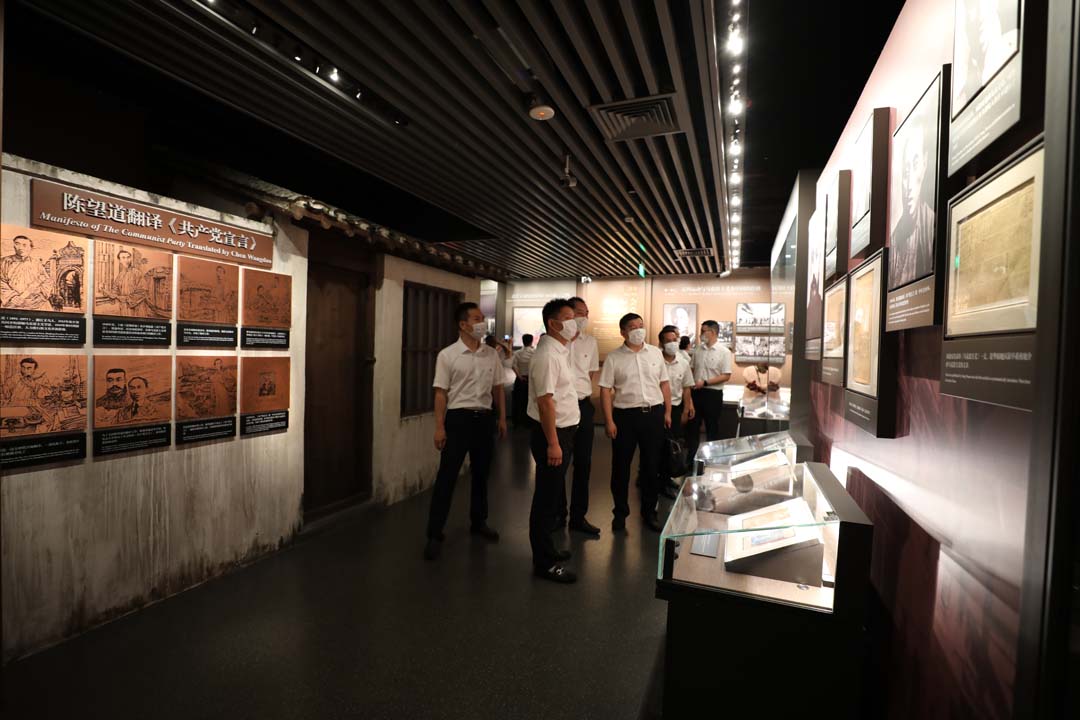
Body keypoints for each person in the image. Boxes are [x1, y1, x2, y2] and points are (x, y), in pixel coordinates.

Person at [424, 302, 507, 560]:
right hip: (458, 419)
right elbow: (441, 393)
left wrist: (502, 418)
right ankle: (434, 534)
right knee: (447, 476)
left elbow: (498, 388)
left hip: (484, 418)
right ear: (463, 325)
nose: (482, 322)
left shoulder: (491, 354)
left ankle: (479, 522)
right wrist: (439, 427)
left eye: (482, 318)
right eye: (476, 318)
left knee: (482, 474)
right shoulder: (448, 355)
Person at [600, 313, 672, 532]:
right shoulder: (614, 357)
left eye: (641, 325)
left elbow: (664, 383)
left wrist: (668, 412)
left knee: (651, 466)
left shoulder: (655, 353)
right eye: (632, 327)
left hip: (653, 414)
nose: (638, 330)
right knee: (620, 468)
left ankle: (649, 512)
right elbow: (605, 390)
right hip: (625, 417)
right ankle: (620, 513)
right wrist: (609, 420)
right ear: (623, 332)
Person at [527, 298, 581, 583]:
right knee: (545, 500)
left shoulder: (559, 350)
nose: (576, 323)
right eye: (569, 318)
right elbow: (545, 402)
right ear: (553, 323)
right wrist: (553, 443)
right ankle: (544, 563)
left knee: (551, 495)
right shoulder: (547, 355)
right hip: (553, 434)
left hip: (563, 432)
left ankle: (548, 550)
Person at [556, 296, 601, 535]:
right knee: (559, 464)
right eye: (580, 313)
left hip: (583, 406)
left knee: (583, 463)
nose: (584, 317)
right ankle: (558, 513)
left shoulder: (590, 342)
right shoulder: (554, 342)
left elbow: (590, 374)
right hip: (560, 408)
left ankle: (578, 516)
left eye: (586, 313)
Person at [687, 320, 733, 459]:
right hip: (696, 393)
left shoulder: (724, 352)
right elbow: (692, 369)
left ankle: (711, 460)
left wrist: (705, 382)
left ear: (712, 332)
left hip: (712, 394)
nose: (700, 334)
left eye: (703, 331)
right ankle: (691, 459)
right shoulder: (698, 350)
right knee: (692, 427)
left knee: (712, 428)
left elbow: (726, 375)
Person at [658, 326, 695, 499]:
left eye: (675, 340)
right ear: (661, 343)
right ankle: (657, 481)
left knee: (673, 446)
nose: (672, 343)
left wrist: (686, 409)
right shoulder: (656, 361)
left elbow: (686, 387)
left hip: (676, 408)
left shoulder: (683, 362)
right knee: (659, 447)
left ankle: (667, 478)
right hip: (658, 409)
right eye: (668, 341)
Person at [1, 235, 52, 310]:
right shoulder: (4, 261)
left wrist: (40, 295)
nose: (20, 248)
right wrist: (12, 296)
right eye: (17, 244)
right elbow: (1, 281)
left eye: (24, 245)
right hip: (13, 304)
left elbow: (47, 281)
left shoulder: (36, 263)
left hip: (37, 304)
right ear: (14, 246)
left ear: (31, 248)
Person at [511, 334, 534, 428]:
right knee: (529, 401)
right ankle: (528, 423)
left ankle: (516, 422)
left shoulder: (517, 353)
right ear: (531, 341)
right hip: (530, 380)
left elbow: (513, 365)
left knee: (517, 400)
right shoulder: (534, 352)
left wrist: (520, 376)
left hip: (520, 379)